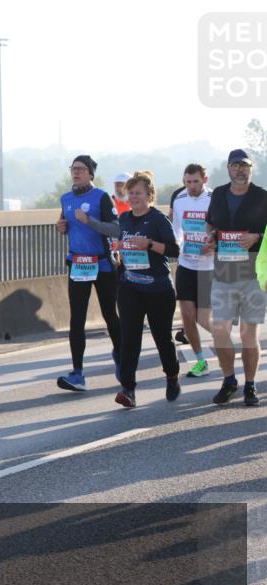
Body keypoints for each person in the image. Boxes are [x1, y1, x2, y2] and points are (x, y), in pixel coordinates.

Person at [96, 171, 181, 408]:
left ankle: (172, 375)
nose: (133, 197)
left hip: (158, 289)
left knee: (162, 338)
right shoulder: (124, 219)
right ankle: (128, 389)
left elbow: (174, 251)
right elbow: (123, 248)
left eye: (138, 193)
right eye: (130, 193)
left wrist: (150, 244)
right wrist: (121, 251)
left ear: (149, 195)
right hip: (130, 287)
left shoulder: (158, 220)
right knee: (129, 338)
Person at [203, 149, 266, 407]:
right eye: (235, 165)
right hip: (224, 272)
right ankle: (229, 380)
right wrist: (211, 238)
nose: (240, 170)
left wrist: (257, 238)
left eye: (244, 166)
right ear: (228, 169)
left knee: (248, 333)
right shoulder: (218, 194)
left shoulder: (263, 197)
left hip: (253, 272)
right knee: (219, 329)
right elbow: (211, 224)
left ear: (251, 169)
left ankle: (250, 385)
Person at [56, 155, 122, 391]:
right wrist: (61, 228)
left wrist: (90, 221)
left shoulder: (102, 197)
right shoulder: (65, 199)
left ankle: (122, 357)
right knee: (76, 319)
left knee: (110, 314)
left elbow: (116, 229)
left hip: (103, 265)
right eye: (73, 169)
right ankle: (78, 374)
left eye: (81, 169)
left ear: (91, 174)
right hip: (77, 264)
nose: (76, 173)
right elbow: (66, 225)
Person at [168, 164, 214, 377]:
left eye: (196, 181)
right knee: (187, 316)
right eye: (188, 182)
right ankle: (200, 361)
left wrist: (213, 242)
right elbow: (176, 230)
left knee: (204, 320)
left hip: (209, 267)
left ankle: (227, 343)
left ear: (204, 179)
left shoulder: (214, 199)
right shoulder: (179, 200)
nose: (192, 186)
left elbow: (223, 227)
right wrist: (177, 245)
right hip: (186, 265)